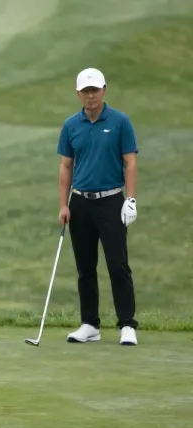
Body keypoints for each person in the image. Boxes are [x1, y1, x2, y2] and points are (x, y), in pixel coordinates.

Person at [57, 67, 139, 346]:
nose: (91, 96)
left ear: (104, 90)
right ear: (78, 93)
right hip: (80, 203)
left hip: (112, 201)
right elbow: (66, 166)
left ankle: (127, 325)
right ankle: (90, 324)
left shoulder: (119, 121)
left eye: (95, 90)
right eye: (86, 91)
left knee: (118, 265)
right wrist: (63, 205)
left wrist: (131, 198)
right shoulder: (71, 125)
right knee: (85, 267)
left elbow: (130, 161)